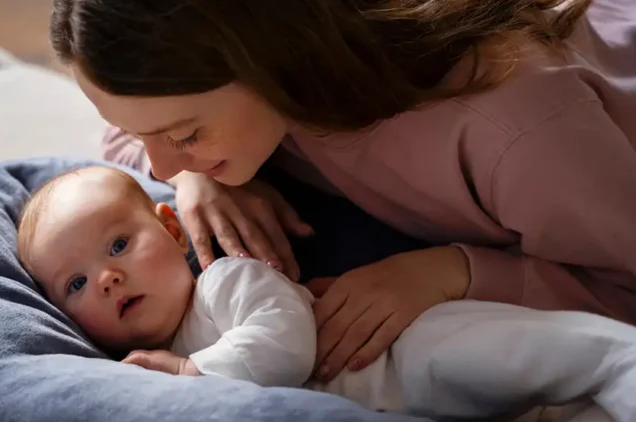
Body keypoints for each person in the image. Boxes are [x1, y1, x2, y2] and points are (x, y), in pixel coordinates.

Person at [49, 0, 636, 382]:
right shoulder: (265, 86)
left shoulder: (517, 132)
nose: (156, 164)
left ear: (270, 63)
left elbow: (626, 284)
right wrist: (199, 172)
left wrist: (453, 273)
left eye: (184, 134)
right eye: (146, 135)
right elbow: (126, 131)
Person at [15, 165, 636, 422]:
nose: (106, 279)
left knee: (551, 354)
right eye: (76, 284)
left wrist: (192, 372)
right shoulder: (144, 369)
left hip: (403, 355)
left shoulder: (225, 282)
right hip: (412, 421)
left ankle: (619, 359)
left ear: (174, 230)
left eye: (118, 245)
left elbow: (286, 343)